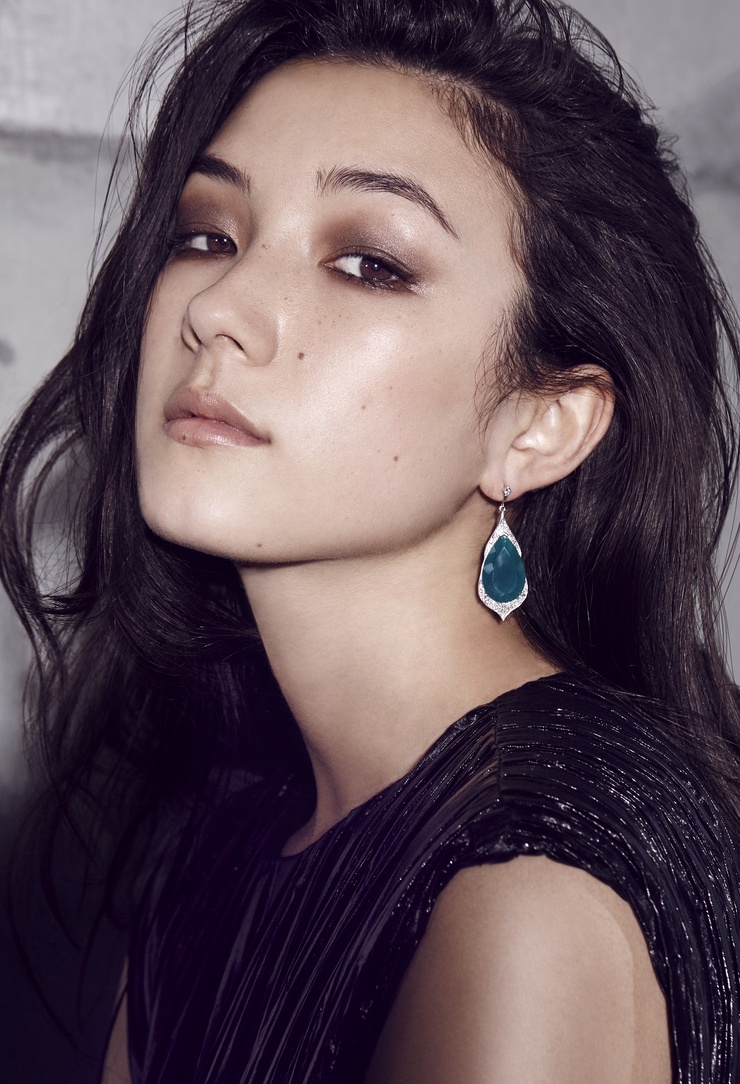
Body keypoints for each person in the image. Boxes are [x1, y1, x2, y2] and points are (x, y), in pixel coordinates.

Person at [2, 0, 740, 1079]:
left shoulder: (528, 892)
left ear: (540, 424)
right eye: (207, 234)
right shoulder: (230, 829)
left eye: (367, 263)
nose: (218, 306)